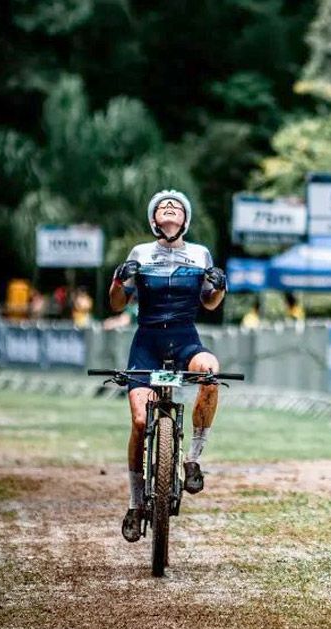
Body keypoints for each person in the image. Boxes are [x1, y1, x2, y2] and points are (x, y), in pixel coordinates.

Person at [109, 189, 227, 542]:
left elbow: (209, 303)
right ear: (154, 219)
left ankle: (192, 460)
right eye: (162, 206)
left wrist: (220, 288)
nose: (170, 208)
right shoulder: (140, 253)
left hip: (184, 339)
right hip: (146, 342)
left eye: (176, 206)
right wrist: (119, 279)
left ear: (185, 219)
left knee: (211, 371)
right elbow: (117, 304)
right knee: (141, 419)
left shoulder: (199, 253)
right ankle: (134, 502)